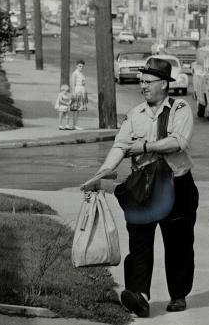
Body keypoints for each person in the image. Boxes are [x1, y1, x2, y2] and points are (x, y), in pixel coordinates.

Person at [81, 58, 199, 318]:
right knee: (139, 242)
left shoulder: (180, 108)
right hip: (142, 186)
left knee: (178, 243)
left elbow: (178, 142)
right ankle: (139, 296)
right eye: (141, 82)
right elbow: (120, 146)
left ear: (163, 84)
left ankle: (178, 295)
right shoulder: (135, 115)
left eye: (148, 82)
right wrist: (100, 174)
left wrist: (145, 147)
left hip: (177, 186)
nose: (142, 86)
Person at [71, 59, 88, 130]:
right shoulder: (75, 73)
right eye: (79, 66)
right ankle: (75, 125)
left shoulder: (81, 74)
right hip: (77, 91)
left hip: (82, 91)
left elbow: (83, 82)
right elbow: (73, 83)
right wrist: (73, 93)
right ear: (76, 66)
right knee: (76, 110)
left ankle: (75, 124)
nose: (81, 67)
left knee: (78, 110)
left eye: (82, 66)